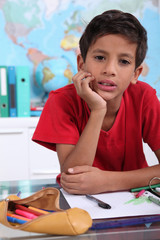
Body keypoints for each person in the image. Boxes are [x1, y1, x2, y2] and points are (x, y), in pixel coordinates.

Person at [32, 10, 160, 195]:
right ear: (81, 64)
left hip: (137, 198)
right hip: (83, 204)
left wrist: (108, 181)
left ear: (135, 74)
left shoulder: (144, 97)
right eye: (100, 58)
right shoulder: (61, 100)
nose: (110, 70)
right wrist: (98, 110)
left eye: (123, 61)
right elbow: (73, 177)